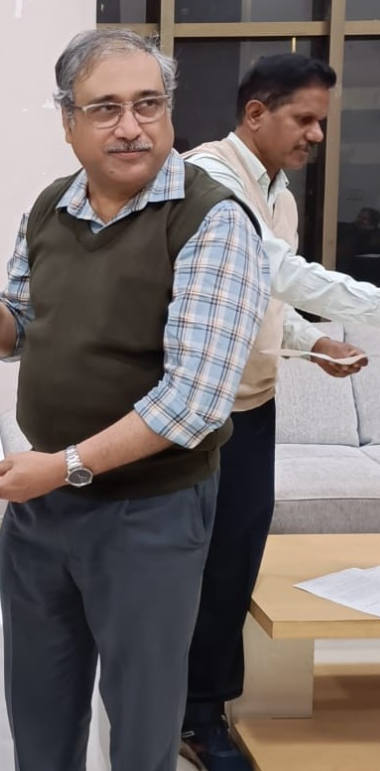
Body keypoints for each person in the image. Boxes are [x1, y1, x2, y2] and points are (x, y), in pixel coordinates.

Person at [0, 28, 270, 771]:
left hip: (150, 513)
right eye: (105, 108)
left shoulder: (212, 220)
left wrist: (62, 467)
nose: (130, 126)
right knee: (38, 713)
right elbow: (20, 331)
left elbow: (193, 402)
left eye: (148, 104)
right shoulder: (51, 206)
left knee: (141, 727)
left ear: (169, 110)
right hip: (42, 507)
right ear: (68, 121)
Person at [181, 54, 374, 771]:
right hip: (194, 410)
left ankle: (203, 706)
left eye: (322, 121)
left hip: (253, 404)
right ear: (255, 112)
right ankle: (187, 713)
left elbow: (263, 295)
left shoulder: (279, 194)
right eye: (304, 118)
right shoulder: (206, 178)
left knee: (233, 564)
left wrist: (312, 340)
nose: (317, 134)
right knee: (192, 566)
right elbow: (278, 270)